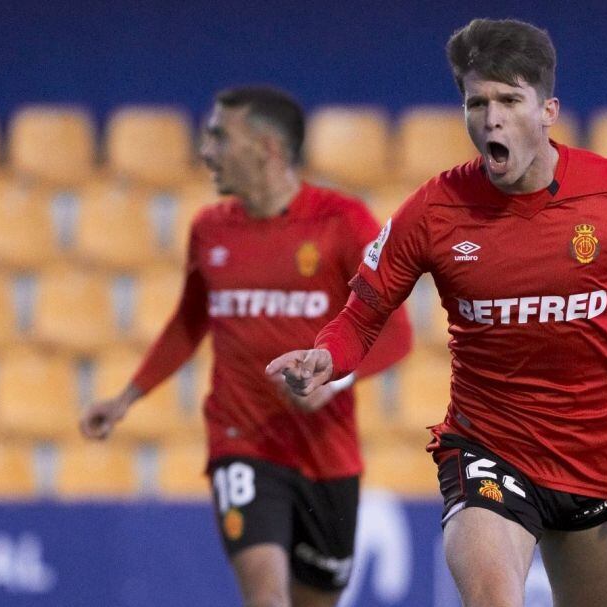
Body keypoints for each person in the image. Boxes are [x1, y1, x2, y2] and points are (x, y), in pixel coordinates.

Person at [267, 19, 607, 607]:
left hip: (601, 459)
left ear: (548, 109)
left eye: (508, 100)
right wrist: (327, 355)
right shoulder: (434, 210)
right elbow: (362, 315)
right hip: (488, 450)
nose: (490, 117)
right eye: (476, 101)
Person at [80, 86, 412, 607]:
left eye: (219, 136)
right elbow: (190, 322)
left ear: (267, 148)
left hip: (327, 453)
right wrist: (127, 397)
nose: (206, 151)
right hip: (241, 440)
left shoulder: (342, 223)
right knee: (266, 597)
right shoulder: (209, 229)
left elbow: (396, 333)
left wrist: (334, 380)